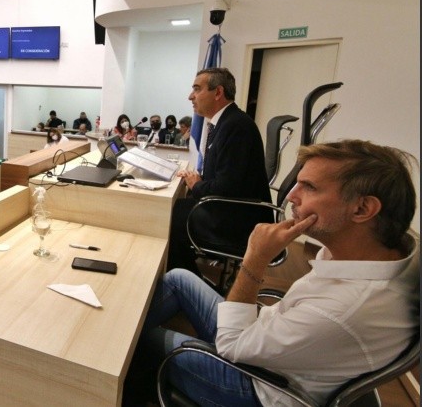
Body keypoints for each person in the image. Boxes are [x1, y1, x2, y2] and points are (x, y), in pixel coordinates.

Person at [125, 139, 419, 407]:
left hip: (261, 386)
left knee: (140, 341)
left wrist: (255, 259)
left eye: (310, 187)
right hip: (271, 345)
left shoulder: (345, 308)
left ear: (363, 208)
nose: (291, 195)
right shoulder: (375, 255)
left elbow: (232, 346)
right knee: (179, 279)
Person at [168, 67, 271, 275]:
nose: (191, 96)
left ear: (218, 93)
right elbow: (226, 176)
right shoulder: (226, 122)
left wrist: (197, 184)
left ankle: (186, 286)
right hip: (232, 209)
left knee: (169, 218)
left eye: (197, 89)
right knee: (177, 208)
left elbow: (226, 187)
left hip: (239, 222)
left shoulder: (236, 127)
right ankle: (184, 276)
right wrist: (199, 181)